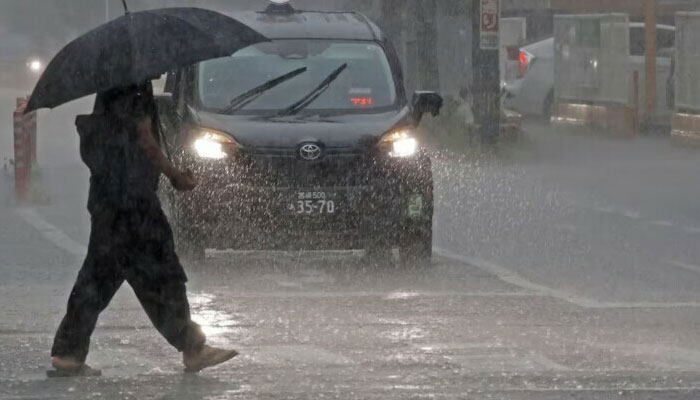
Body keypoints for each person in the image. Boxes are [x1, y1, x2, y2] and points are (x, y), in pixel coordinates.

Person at [49, 83, 237, 377]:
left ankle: (68, 352)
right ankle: (193, 347)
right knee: (164, 274)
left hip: (106, 199)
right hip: (134, 203)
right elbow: (146, 142)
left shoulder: (110, 87)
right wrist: (176, 176)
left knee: (98, 275)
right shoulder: (135, 89)